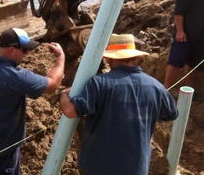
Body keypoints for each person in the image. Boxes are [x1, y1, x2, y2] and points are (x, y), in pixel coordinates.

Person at [59, 34, 178, 175]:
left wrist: (64, 94)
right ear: (135, 57)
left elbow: (70, 111)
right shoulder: (155, 87)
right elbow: (171, 113)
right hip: (136, 167)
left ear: (109, 59)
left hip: (99, 167)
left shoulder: (99, 84)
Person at [0, 28, 65, 175]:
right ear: (11, 50)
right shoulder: (15, 77)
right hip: (0, 154)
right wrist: (61, 57)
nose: (27, 54)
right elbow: (52, 84)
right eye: (24, 50)